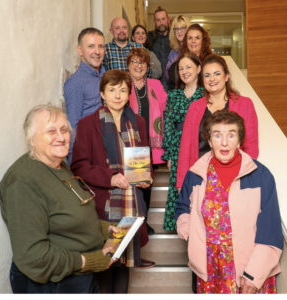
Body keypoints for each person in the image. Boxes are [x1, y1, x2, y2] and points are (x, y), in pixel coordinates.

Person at [0, 104, 118, 293]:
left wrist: (103, 229)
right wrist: (90, 261)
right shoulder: (22, 181)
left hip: (78, 277)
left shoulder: (59, 165)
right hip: (52, 284)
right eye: (51, 131)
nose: (61, 137)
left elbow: (66, 214)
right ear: (32, 139)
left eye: (64, 130)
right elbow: (34, 257)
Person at [176, 110, 283, 294]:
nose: (224, 142)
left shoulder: (261, 176)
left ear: (239, 140)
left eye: (231, 135)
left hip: (249, 271)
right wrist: (191, 235)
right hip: (209, 272)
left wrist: (253, 275)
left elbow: (270, 231)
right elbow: (182, 208)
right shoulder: (195, 174)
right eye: (217, 135)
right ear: (209, 141)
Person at [71, 70, 155, 293]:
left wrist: (146, 178)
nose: (117, 95)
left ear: (129, 95)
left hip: (132, 205)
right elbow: (78, 167)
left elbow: (144, 158)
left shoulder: (138, 122)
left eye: (123, 90)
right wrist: (110, 178)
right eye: (112, 90)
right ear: (102, 93)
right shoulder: (87, 124)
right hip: (104, 207)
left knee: (124, 267)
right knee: (105, 265)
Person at [176, 54, 259, 190]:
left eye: (216, 74)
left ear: (226, 76)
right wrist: (181, 183)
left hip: (234, 178)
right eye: (207, 75)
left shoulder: (244, 104)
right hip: (201, 178)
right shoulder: (194, 108)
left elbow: (251, 145)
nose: (212, 79)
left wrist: (245, 176)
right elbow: (185, 148)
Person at [162, 53, 204, 232]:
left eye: (188, 67)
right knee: (179, 187)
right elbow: (169, 125)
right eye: (181, 68)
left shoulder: (205, 93)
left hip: (200, 145)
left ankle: (201, 225)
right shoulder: (173, 95)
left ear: (199, 69)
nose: (185, 71)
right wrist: (170, 155)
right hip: (179, 148)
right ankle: (183, 227)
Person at [127, 48, 167, 234]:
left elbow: (166, 109)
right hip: (131, 143)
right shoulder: (124, 84)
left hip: (151, 144)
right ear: (128, 65)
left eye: (142, 62)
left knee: (147, 184)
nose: (138, 66)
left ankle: (144, 221)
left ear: (147, 67)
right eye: (134, 62)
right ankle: (136, 222)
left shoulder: (155, 84)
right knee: (134, 186)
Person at [64, 27, 106, 164]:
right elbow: (73, 127)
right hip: (89, 156)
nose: (97, 52)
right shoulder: (75, 83)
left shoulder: (107, 76)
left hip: (109, 151)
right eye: (91, 46)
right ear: (80, 50)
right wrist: (75, 164)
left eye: (101, 46)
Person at [148, 6, 172, 90]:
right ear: (154, 22)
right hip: (155, 86)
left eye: (163, 19)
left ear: (168, 20)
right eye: (158, 20)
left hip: (173, 85)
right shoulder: (149, 39)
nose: (161, 22)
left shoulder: (175, 38)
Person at [165, 15, 191, 90]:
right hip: (175, 92)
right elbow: (168, 76)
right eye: (176, 28)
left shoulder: (193, 49)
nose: (179, 31)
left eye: (182, 28)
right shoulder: (173, 52)